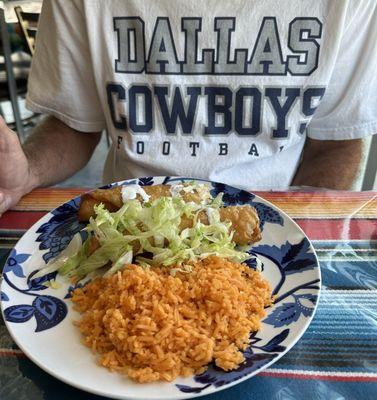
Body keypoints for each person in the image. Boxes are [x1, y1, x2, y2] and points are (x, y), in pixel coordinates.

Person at [0, 0, 376, 216]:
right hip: (127, 220)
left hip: (270, 216)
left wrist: (292, 235)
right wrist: (28, 172)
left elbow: (335, 141)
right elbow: (74, 124)